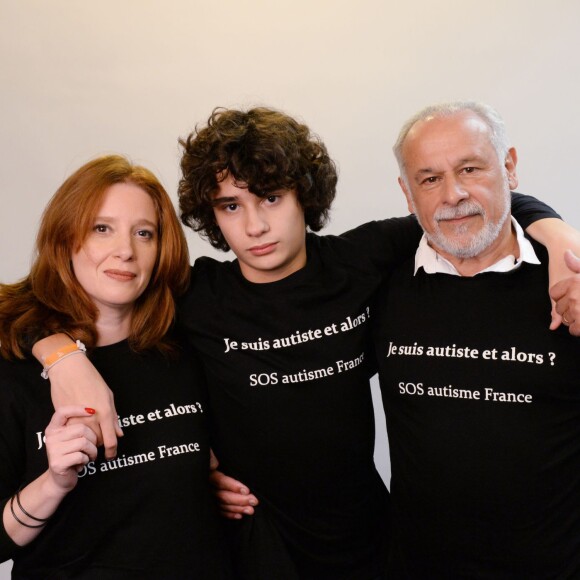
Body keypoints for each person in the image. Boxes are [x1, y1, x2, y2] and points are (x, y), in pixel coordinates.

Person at [27, 109, 578, 579]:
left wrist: (556, 232)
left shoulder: (361, 261)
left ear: (303, 195)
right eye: (230, 206)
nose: (255, 225)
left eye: (270, 198)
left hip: (369, 540)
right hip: (255, 544)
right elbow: (47, 299)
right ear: (211, 215)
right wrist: (61, 355)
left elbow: (466, 206)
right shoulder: (198, 295)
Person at [373, 101, 580, 577]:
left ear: (509, 167)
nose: (453, 194)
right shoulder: (380, 281)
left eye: (470, 168)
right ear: (407, 194)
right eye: (429, 179)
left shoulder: (565, 279)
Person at [0, 156, 232, 578]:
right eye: (101, 228)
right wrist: (52, 484)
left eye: (144, 233)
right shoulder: (12, 370)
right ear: (66, 238)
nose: (125, 250)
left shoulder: (187, 347)